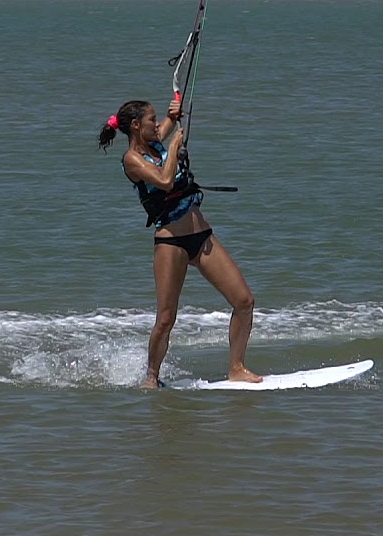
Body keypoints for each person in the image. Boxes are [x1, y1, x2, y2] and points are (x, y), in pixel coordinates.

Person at [98, 98, 261, 388]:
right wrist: (174, 146)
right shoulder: (132, 159)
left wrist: (174, 113)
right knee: (165, 319)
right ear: (136, 126)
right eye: (152, 119)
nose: (157, 123)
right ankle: (151, 378)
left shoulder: (155, 140)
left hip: (201, 236)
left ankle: (236, 367)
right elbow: (164, 180)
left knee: (244, 301)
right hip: (170, 242)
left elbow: (163, 130)